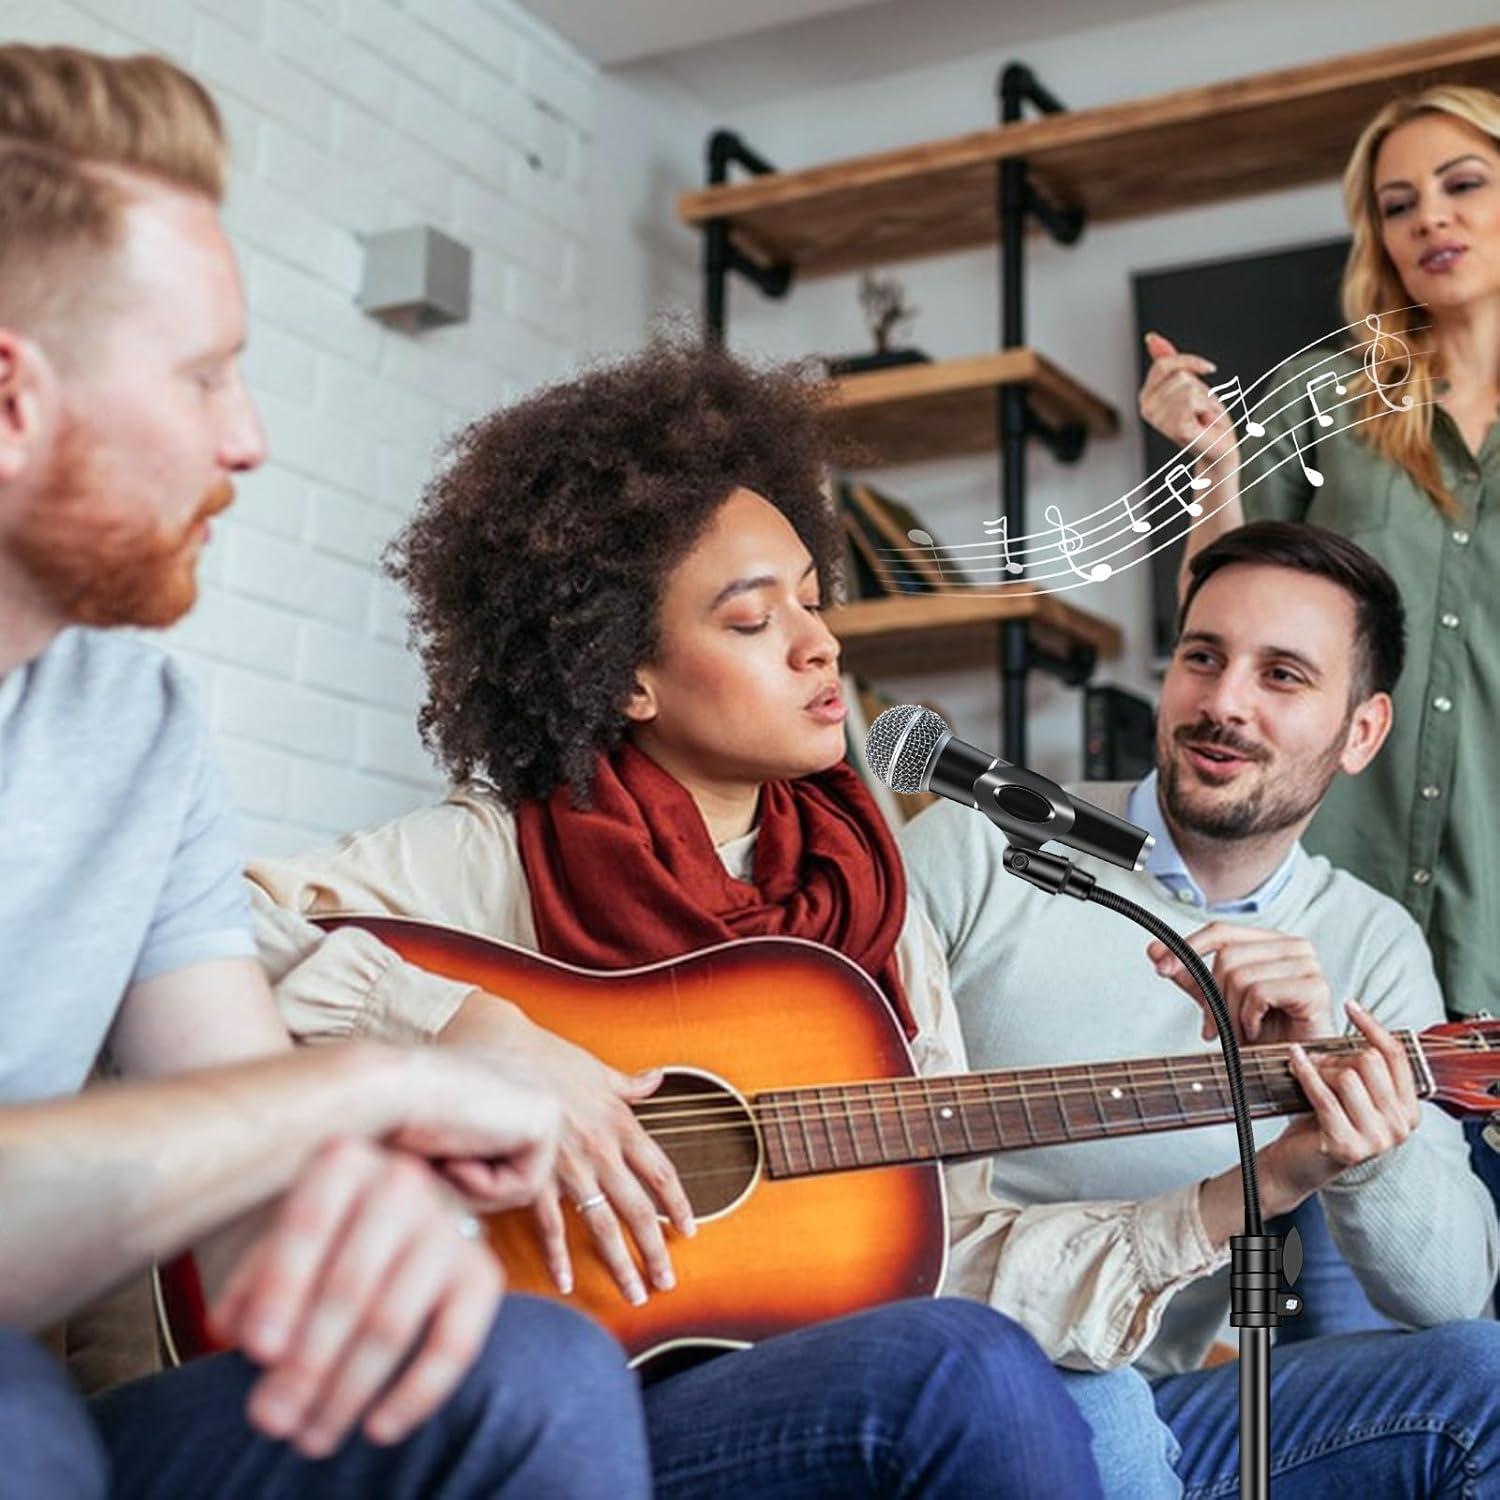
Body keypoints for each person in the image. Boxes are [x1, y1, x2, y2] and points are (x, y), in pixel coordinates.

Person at [247, 338, 1108, 1498]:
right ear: (625, 677)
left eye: (815, 600)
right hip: (538, 1390)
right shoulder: (497, 852)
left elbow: (951, 1249)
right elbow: (210, 930)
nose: (822, 645)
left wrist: (1238, 1193)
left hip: (787, 1384)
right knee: (966, 1371)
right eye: (755, 622)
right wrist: (472, 1029)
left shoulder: (874, 900)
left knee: (1024, 1378)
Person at [0, 43, 649, 1497]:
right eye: (203, 374)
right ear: (10, 398)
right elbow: (288, 1106)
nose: (249, 438)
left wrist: (366, 1217)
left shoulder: (138, 723)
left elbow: (245, 1191)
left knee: (528, 1377)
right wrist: (355, 1087)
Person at [902, 520, 1500, 1497]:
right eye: (1203, 658)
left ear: (1362, 732)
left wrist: (1352, 1134)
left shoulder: (1371, 942)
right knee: (1100, 1410)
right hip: (974, 1352)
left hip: (1185, 1401)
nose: (1223, 704)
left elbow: (1451, 1296)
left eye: (1283, 676)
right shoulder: (979, 849)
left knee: (1486, 1382)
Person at [1138, 82, 1500, 1337]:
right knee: (1375, 1346)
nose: (1429, 221)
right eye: (1397, 204)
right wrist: (1214, 471)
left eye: (1463, 185)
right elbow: (1234, 627)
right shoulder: (1338, 415)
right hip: (1350, 971)